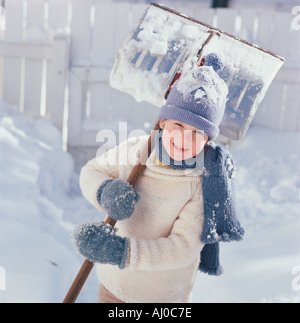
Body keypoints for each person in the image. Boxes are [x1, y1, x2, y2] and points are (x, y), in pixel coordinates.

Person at [73, 53, 244, 303]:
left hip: (162, 297)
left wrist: (123, 252)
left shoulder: (201, 182)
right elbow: (91, 171)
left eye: (198, 132)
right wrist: (105, 190)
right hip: (111, 287)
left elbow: (182, 248)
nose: (186, 139)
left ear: (208, 139)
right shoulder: (136, 150)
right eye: (179, 125)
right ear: (163, 121)